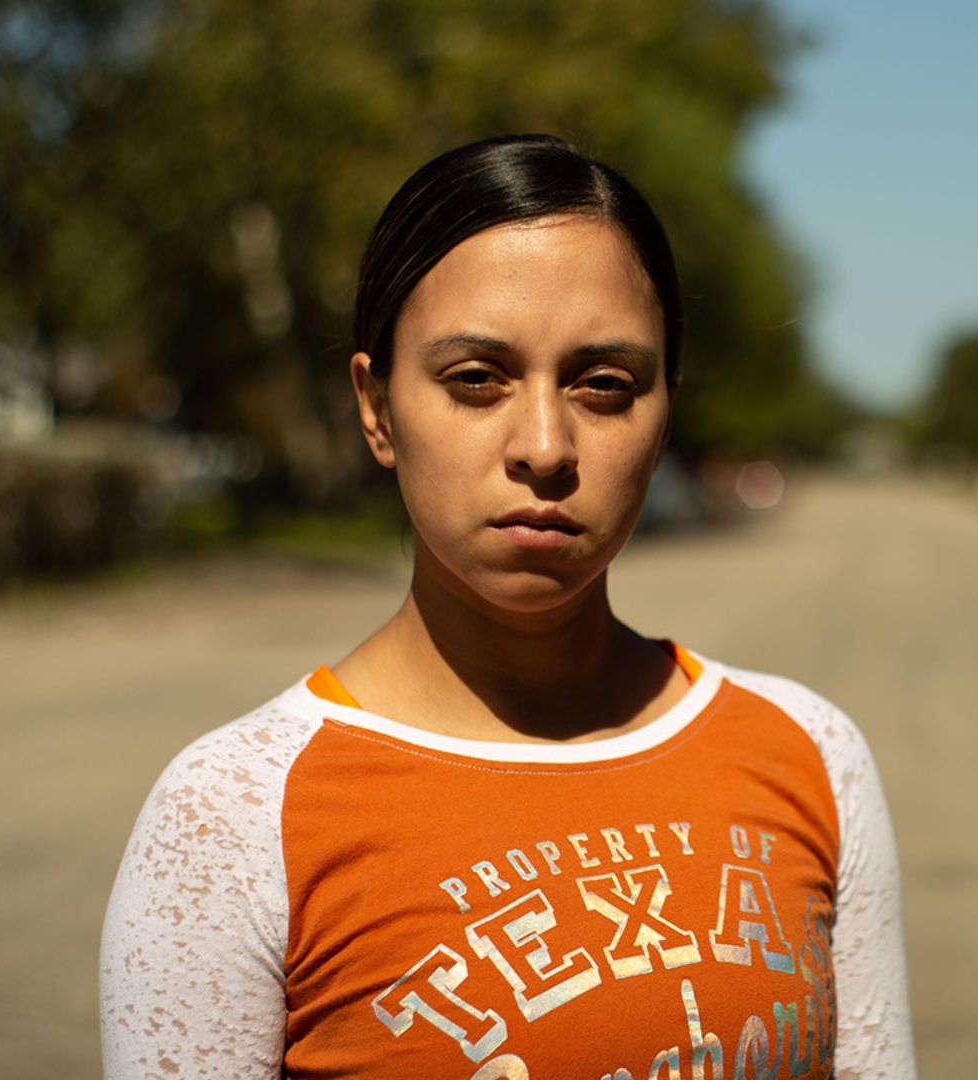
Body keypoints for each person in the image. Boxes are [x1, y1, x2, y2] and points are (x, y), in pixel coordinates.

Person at [98, 135, 916, 1079]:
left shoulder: (807, 756)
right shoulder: (230, 819)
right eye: (476, 380)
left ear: (665, 415)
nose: (543, 444)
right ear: (376, 408)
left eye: (605, 385)